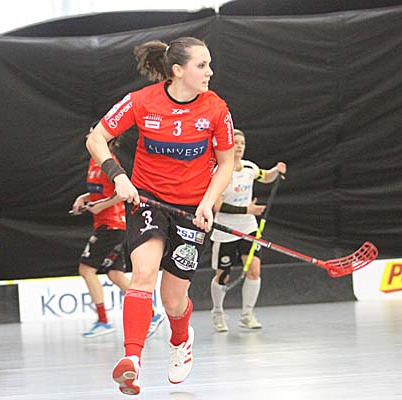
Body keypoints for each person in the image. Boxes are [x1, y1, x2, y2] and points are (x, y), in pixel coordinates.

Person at [86, 37, 235, 395]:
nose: (210, 72)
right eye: (202, 65)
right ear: (178, 70)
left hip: (191, 209)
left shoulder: (216, 109)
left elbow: (226, 163)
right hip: (148, 201)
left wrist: (208, 203)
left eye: (209, 64)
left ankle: (181, 340)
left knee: (173, 300)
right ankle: (132, 360)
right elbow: (97, 138)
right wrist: (118, 176)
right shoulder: (141, 101)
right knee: (143, 275)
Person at [73, 126, 165, 339]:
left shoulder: (109, 162)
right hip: (108, 225)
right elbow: (100, 191)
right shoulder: (93, 161)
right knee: (115, 274)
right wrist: (84, 198)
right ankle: (151, 314)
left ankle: (103, 321)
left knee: (86, 270)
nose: (87, 136)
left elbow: (122, 193)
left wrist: (100, 206)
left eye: (92, 132)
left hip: (112, 225)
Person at [210, 129, 287, 332]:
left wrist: (276, 171)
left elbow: (266, 176)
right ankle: (217, 313)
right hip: (225, 231)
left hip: (248, 229)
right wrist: (248, 209)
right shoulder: (219, 172)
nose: (239, 146)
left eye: (242, 143)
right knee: (223, 276)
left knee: (254, 271)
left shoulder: (249, 167)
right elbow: (217, 205)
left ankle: (247, 315)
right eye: (235, 142)